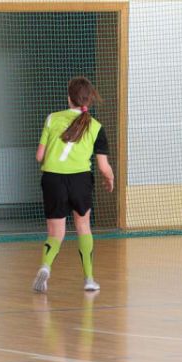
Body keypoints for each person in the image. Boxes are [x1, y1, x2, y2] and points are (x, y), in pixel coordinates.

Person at [32, 76, 115, 293]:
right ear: (89, 100)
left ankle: (46, 267)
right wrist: (110, 179)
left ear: (69, 98)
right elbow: (103, 166)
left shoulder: (52, 118)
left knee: (55, 233)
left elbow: (39, 156)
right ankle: (89, 279)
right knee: (83, 227)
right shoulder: (96, 127)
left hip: (52, 179)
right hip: (80, 180)